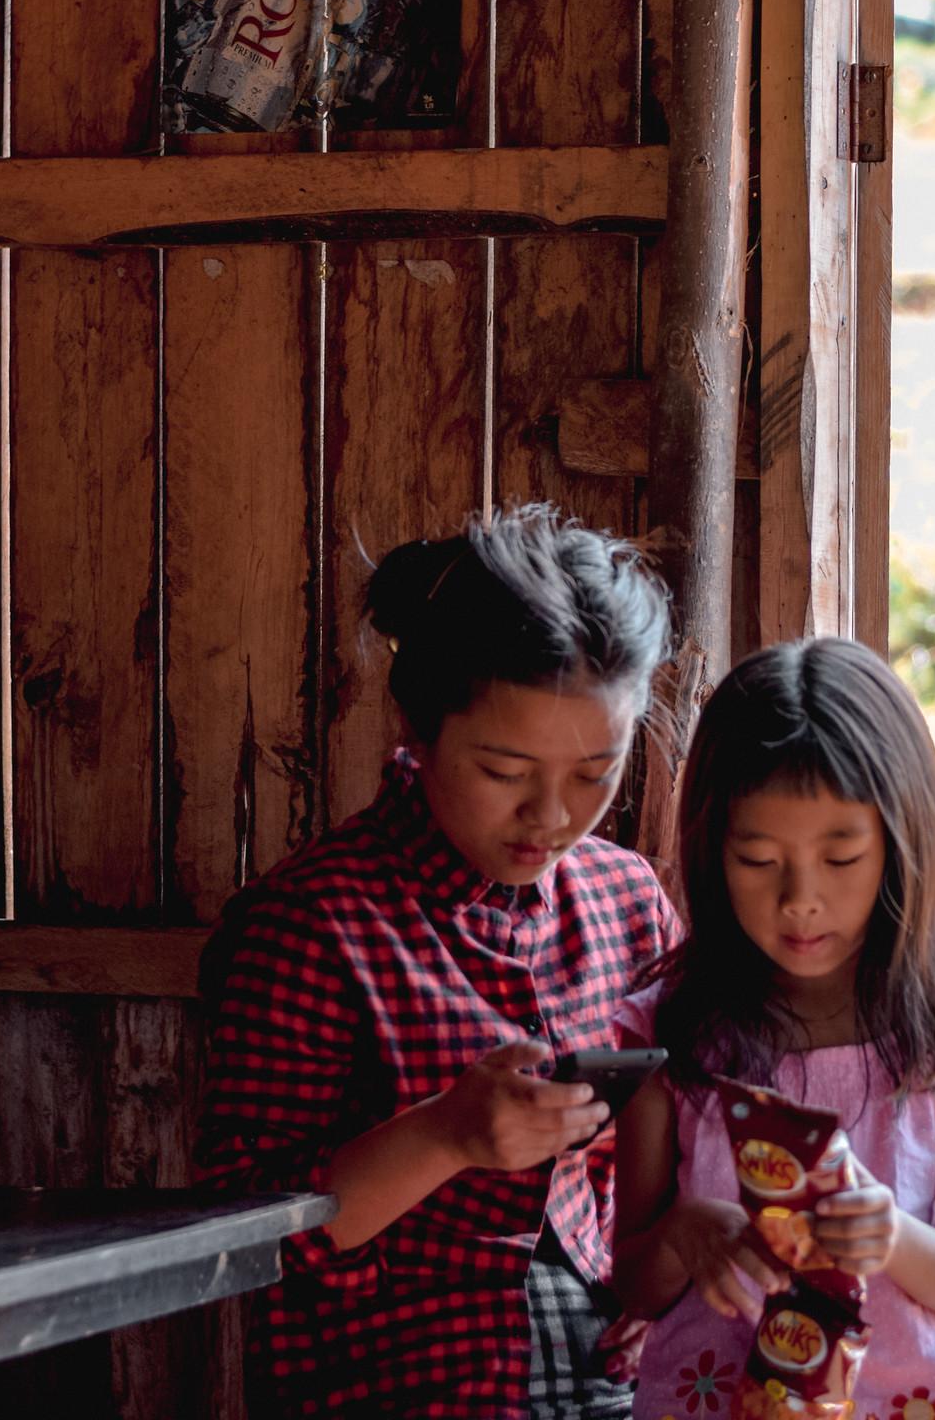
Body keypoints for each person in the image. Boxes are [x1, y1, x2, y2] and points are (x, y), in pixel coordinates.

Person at [195, 504, 677, 1420]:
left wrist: (671, 1285)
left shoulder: (627, 901)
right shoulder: (314, 924)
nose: (550, 816)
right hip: (399, 1390)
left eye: (594, 774)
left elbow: (689, 1140)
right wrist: (444, 1136)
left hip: (616, 1386)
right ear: (416, 725)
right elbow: (235, 1241)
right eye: (504, 772)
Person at [612, 636, 935, 1420]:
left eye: (841, 859)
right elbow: (629, 1280)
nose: (800, 899)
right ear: (710, 849)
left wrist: (891, 1235)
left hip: (913, 1400)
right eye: (758, 860)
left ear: (902, 843)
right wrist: (681, 1235)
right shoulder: (674, 1035)